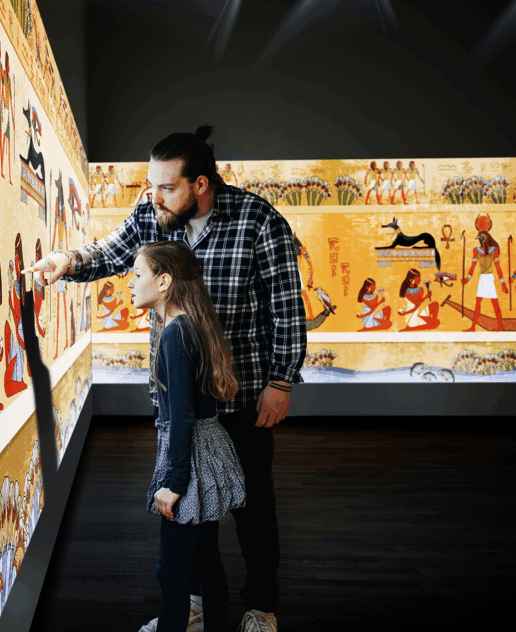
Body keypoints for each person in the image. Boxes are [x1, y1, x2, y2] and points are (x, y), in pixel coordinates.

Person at [26, 125, 306, 632]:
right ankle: (196, 602)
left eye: (166, 187)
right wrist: (64, 261)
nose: (152, 197)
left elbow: (285, 310)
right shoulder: (151, 214)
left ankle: (261, 607)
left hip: (240, 397)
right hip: (178, 401)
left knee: (253, 508)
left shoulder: (258, 221)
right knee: (191, 511)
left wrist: (281, 381)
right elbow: (110, 254)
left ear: (200, 184)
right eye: (150, 186)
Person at [129, 240, 245, 632]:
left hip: (191, 460)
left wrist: (174, 483)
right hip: (208, 449)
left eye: (138, 274)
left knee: (172, 570)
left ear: (163, 281)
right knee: (206, 558)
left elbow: (181, 417)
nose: (131, 282)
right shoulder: (189, 325)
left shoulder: (174, 335)